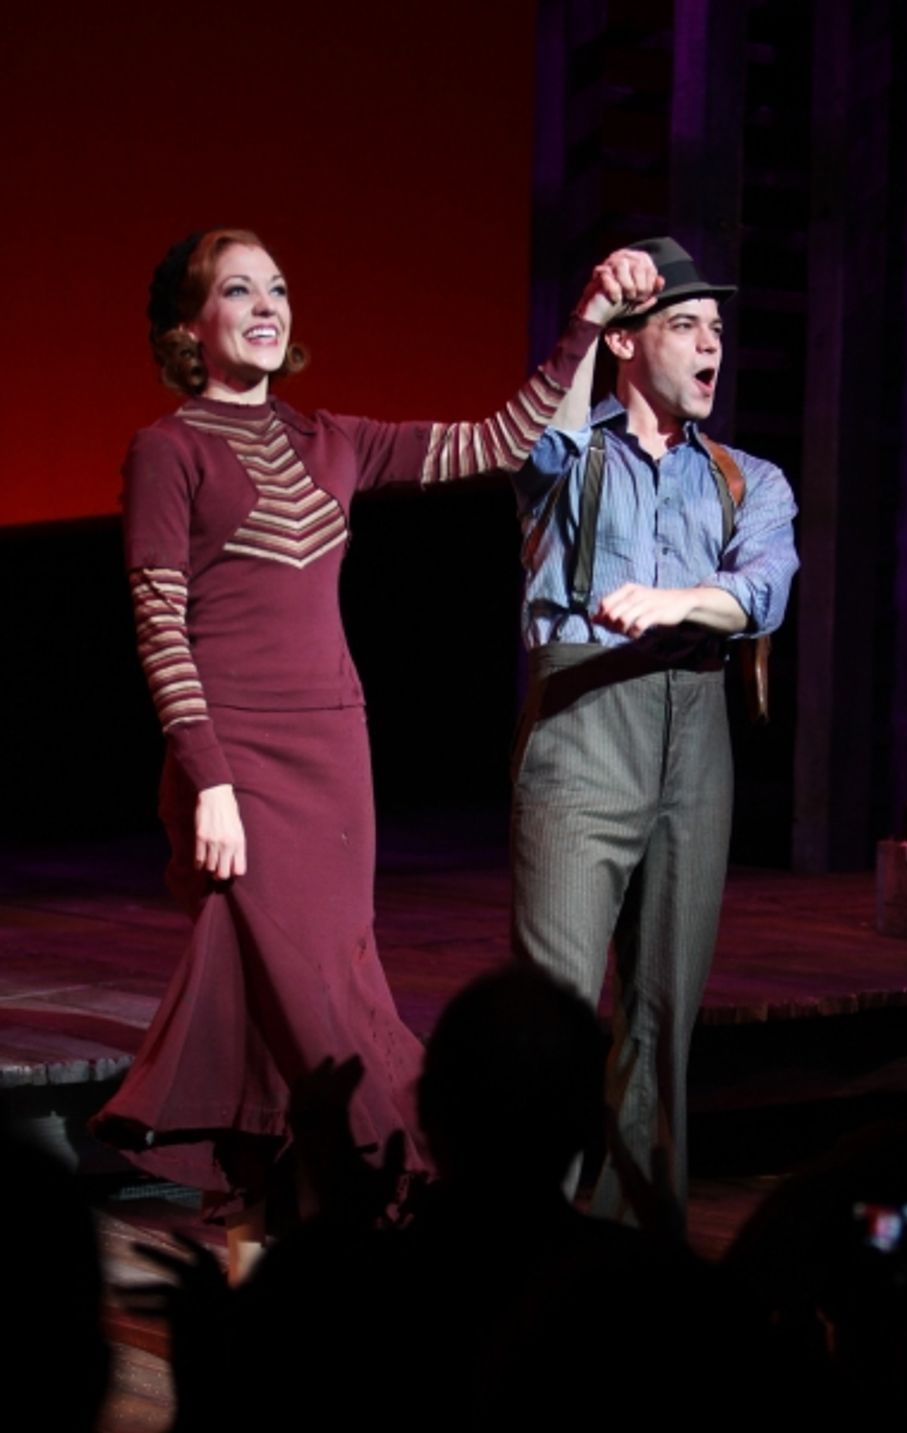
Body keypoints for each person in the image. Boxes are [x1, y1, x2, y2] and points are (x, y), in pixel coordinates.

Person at [93, 228, 659, 1259]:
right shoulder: (167, 450)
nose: (267, 306)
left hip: (334, 758)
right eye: (237, 290)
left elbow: (502, 438)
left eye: (277, 287)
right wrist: (208, 777)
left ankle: (267, 1246)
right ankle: (396, 1191)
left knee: (294, 997)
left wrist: (586, 321)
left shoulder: (334, 439)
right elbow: (159, 625)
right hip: (238, 764)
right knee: (307, 1000)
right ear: (188, 327)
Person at [511, 236, 799, 1232]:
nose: (712, 344)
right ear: (629, 343)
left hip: (695, 731)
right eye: (685, 326)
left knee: (663, 1017)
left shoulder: (747, 478)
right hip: (585, 727)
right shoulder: (570, 456)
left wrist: (675, 601)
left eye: (717, 328)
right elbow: (528, 444)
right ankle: (526, 1245)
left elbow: (761, 589)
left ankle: (635, 1251)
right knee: (550, 1014)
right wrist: (589, 311)